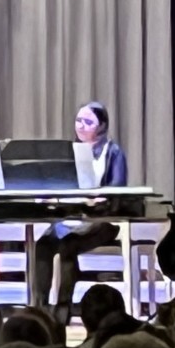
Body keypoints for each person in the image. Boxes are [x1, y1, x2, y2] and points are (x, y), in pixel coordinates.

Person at [31, 101, 128, 325]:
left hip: (103, 220)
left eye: (88, 122)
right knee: (43, 245)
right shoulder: (69, 153)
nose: (81, 126)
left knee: (68, 245)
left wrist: (100, 198)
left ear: (101, 126)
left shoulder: (113, 152)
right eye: (78, 121)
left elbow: (118, 190)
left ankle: (62, 309)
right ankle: (40, 308)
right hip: (71, 218)